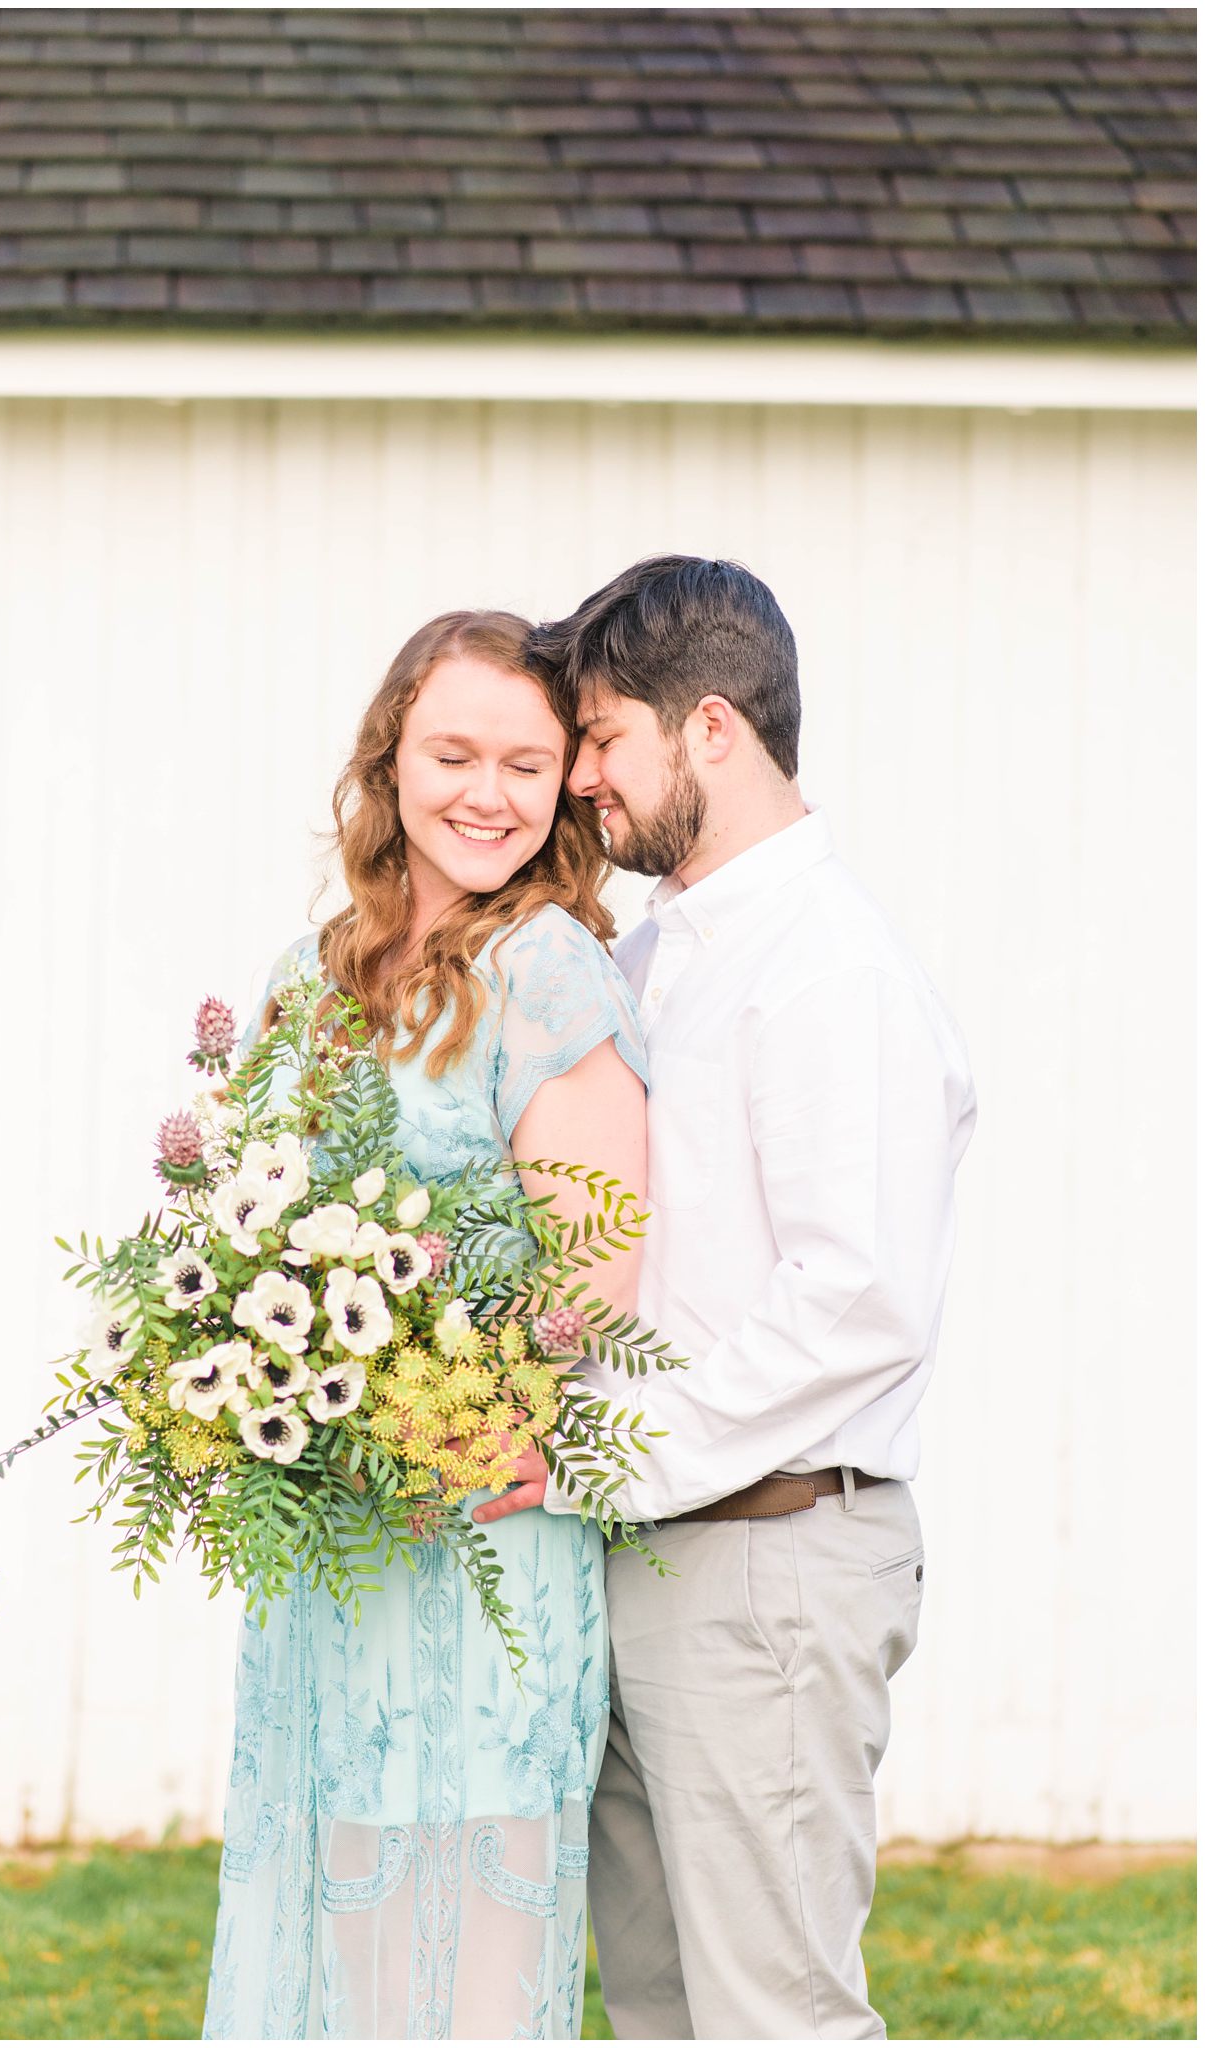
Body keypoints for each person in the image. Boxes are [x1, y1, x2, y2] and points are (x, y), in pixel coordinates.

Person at [476, 557, 977, 2040]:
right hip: (643, 1557)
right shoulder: (653, 957)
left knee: (774, 2015)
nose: (577, 780)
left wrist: (589, 1455)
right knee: (658, 2009)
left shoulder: (830, 974)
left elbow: (855, 1303)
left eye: (601, 736)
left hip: (771, 1559)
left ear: (709, 730)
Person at [202, 610, 649, 2041]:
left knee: (450, 1951)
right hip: (332, 1546)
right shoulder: (306, 975)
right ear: (388, 762)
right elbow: (243, 1227)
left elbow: (597, 1270)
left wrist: (422, 1394)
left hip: (477, 1527)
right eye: (454, 752)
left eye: (528, 764)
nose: (489, 793)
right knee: (331, 1929)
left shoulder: (549, 970)